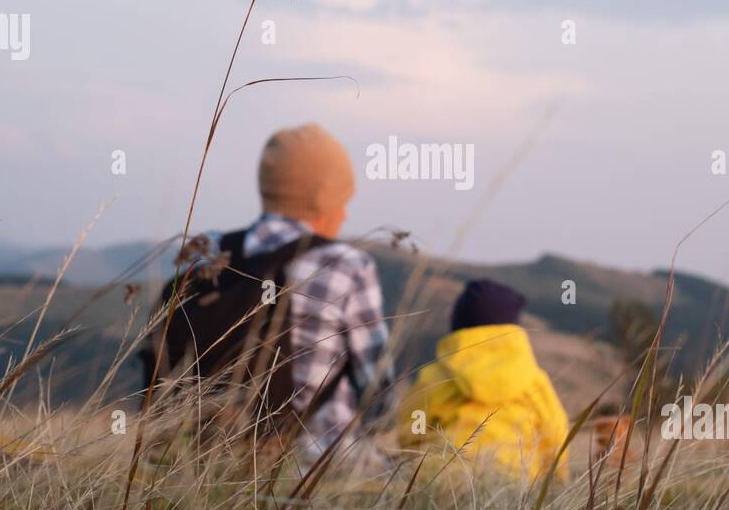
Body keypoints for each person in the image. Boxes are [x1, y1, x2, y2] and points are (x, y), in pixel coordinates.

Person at [141, 123, 393, 463]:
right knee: (413, 490)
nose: (345, 213)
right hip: (310, 466)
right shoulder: (346, 265)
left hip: (190, 462)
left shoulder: (209, 252)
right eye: (342, 201)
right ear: (322, 197)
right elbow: (377, 390)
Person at [395, 279, 570, 481]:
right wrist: (556, 479)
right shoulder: (534, 380)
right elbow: (555, 431)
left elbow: (412, 427)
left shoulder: (433, 377)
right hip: (516, 480)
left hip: (441, 480)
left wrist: (413, 463)